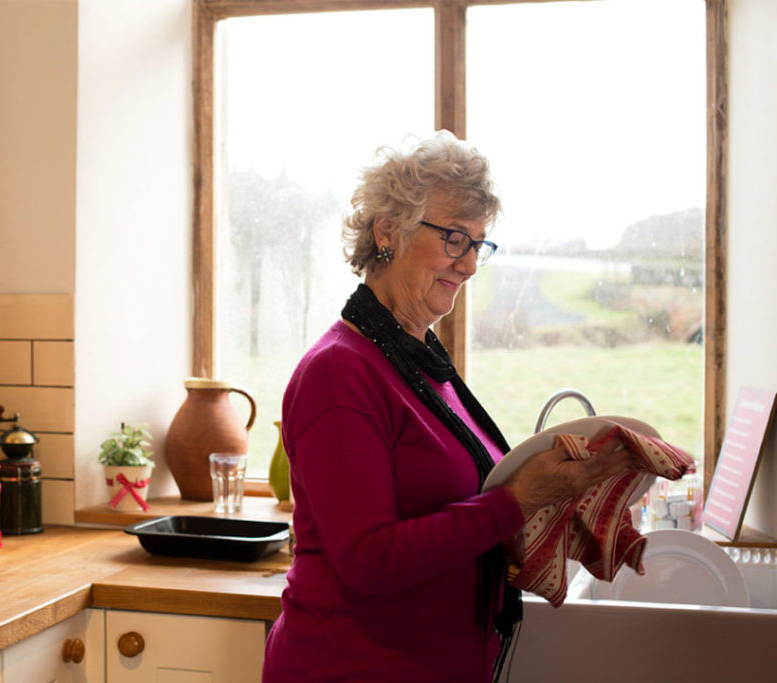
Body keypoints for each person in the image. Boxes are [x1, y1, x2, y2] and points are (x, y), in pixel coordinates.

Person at [262, 131, 637, 682]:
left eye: (479, 244)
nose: (469, 265)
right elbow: (371, 559)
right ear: (388, 231)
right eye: (455, 238)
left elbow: (459, 513)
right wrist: (517, 502)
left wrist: (565, 516)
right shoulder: (340, 373)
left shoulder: (418, 364)